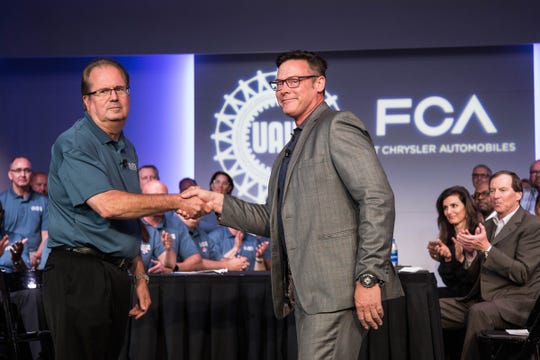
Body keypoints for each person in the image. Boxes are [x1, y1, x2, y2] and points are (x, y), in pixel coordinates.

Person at [182, 50, 403, 359]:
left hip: (337, 292)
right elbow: (272, 220)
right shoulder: (289, 149)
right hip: (308, 296)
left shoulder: (337, 126)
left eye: (294, 80)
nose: (283, 88)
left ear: (319, 83)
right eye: (279, 82)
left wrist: (368, 277)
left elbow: (377, 198)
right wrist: (216, 201)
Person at [43, 57, 208, 360]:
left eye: (120, 88)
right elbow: (108, 205)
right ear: (86, 101)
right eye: (103, 91)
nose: (114, 97)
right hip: (78, 272)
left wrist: (140, 276)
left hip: (116, 273)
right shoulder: (74, 143)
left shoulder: (126, 147)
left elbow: (129, 220)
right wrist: (178, 200)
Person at [440, 170, 540, 360]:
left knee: (479, 312)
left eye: (502, 190)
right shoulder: (488, 225)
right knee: (429, 308)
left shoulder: (533, 225)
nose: (495, 195)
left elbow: (522, 273)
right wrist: (470, 256)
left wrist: (486, 248)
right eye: (492, 190)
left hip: (516, 303)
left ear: (518, 195)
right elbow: (476, 277)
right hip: (483, 299)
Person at [427, 186, 481, 297]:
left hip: (475, 296)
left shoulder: (478, 233)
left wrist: (461, 259)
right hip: (458, 293)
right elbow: (450, 283)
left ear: (467, 207)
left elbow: (473, 282)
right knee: (424, 294)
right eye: (445, 208)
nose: (448, 212)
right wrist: (448, 259)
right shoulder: (448, 237)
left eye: (454, 206)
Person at [0, 156, 48, 271]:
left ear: (31, 174)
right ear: (10, 175)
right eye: (18, 170)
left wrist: (37, 256)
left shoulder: (43, 201)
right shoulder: (1, 200)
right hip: (7, 256)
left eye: (27, 170)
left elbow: (46, 235)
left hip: (35, 257)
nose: (23, 174)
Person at [177, 213, 250, 271]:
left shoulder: (201, 233)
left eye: (198, 208)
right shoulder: (172, 230)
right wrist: (228, 265)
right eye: (190, 206)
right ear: (178, 210)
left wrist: (237, 263)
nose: (194, 212)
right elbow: (194, 263)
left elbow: (218, 259)